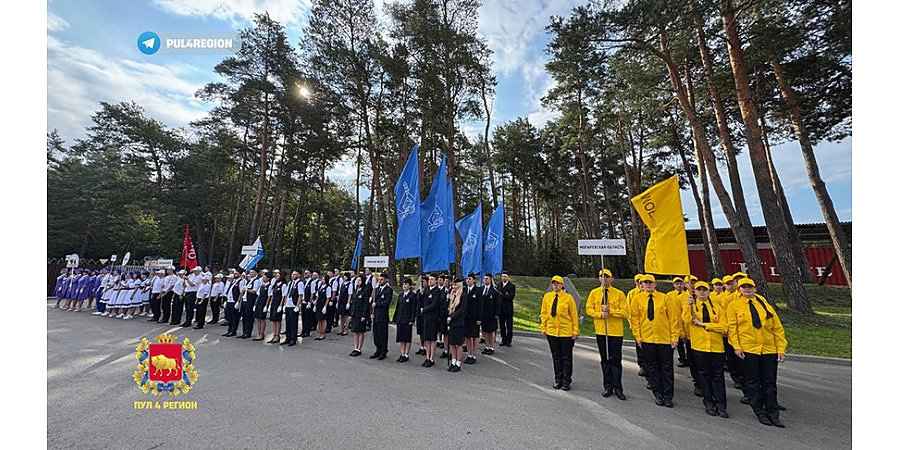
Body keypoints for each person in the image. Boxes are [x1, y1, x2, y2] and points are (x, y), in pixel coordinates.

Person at [726, 278, 788, 428]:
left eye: (750, 287)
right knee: (752, 382)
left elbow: (777, 328)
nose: (747, 289)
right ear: (739, 289)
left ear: (755, 288)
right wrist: (737, 347)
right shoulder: (734, 306)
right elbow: (732, 329)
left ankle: (773, 413)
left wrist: (781, 349)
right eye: (744, 287)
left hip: (768, 349)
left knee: (769, 382)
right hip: (749, 349)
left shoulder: (763, 304)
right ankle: (759, 411)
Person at [630, 274, 680, 407]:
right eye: (645, 282)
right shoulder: (637, 299)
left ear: (655, 284)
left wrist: (675, 337)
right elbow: (634, 319)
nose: (648, 284)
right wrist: (638, 337)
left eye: (650, 282)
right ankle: (658, 394)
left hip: (664, 339)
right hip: (647, 339)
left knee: (666, 368)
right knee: (652, 368)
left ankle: (668, 396)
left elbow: (674, 319)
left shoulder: (665, 298)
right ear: (642, 284)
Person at [684, 281, 729, 418]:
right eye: (699, 290)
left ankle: (721, 404)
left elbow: (724, 327)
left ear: (709, 291)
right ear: (695, 292)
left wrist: (705, 324)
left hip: (716, 347)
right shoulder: (692, 306)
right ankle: (708, 402)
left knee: (718, 376)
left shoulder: (717, 307)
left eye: (704, 290)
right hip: (699, 346)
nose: (702, 292)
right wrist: (688, 307)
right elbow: (686, 320)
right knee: (703, 375)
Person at [585, 269, 628, 400]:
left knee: (616, 361)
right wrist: (599, 314)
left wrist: (611, 311)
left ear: (612, 279)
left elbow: (625, 312)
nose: (604, 279)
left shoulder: (619, 294)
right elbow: (589, 309)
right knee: (605, 360)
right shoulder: (594, 293)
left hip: (615, 332)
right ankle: (607, 386)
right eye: (601, 277)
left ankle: (618, 388)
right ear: (599, 279)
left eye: (607, 277)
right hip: (601, 331)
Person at [541, 276, 579, 391]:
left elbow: (574, 315)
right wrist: (544, 327)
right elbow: (544, 313)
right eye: (553, 283)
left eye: (557, 283)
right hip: (552, 331)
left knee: (566, 357)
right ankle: (558, 379)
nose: (555, 285)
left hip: (565, 332)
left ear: (562, 285)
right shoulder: (547, 297)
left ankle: (567, 381)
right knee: (556, 356)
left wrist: (575, 331)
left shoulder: (568, 298)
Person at [419, 274, 442, 367]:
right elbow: (422, 302)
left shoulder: (437, 291)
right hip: (426, 317)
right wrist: (421, 295)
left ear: (436, 281)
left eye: (432, 279)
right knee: (427, 338)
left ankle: (432, 358)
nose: (430, 281)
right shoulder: (427, 290)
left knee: (432, 339)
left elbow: (435, 304)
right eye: (429, 279)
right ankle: (427, 357)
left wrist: (424, 309)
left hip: (433, 317)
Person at [392, 278, 417, 362]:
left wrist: (412, 319)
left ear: (409, 286)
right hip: (400, 318)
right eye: (403, 284)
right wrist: (395, 317)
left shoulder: (412, 295)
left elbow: (414, 308)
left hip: (407, 319)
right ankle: (402, 354)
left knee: (407, 338)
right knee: (401, 338)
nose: (404, 286)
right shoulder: (400, 294)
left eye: (406, 284)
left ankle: (406, 354)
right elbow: (398, 307)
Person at [667, 277, 690, 367]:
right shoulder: (669, 295)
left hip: (686, 320)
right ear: (673, 285)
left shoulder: (687, 295)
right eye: (677, 284)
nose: (679, 285)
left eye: (680, 283)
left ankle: (689, 358)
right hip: (675, 319)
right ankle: (682, 359)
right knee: (679, 342)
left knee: (688, 342)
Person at [370, 273, 393, 360]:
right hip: (375, 314)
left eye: (382, 279)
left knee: (382, 333)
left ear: (386, 280)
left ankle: (384, 350)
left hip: (383, 315)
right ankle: (378, 349)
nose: (380, 281)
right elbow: (372, 302)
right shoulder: (376, 289)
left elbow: (386, 303)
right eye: (379, 279)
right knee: (376, 334)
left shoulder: (388, 290)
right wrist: (372, 313)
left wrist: (377, 304)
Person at [445, 277, 466, 372]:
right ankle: (453, 361)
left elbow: (462, 310)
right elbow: (448, 308)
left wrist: (451, 317)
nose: (453, 286)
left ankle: (458, 363)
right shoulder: (452, 295)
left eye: (455, 285)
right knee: (452, 344)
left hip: (459, 323)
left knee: (458, 344)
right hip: (452, 323)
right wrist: (447, 299)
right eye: (453, 285)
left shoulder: (463, 295)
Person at [627, 274, 646, 377]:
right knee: (639, 346)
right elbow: (629, 311)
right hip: (637, 325)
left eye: (641, 281)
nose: (640, 283)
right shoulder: (632, 294)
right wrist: (632, 325)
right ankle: (642, 365)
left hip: (648, 326)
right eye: (638, 281)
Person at [462, 273, 483, 364]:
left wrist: (479, 318)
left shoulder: (478, 290)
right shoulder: (464, 290)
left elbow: (481, 306)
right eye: (467, 279)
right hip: (466, 317)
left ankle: (473, 355)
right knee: (467, 336)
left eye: (469, 279)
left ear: (474, 280)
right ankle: (469, 354)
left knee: (474, 337)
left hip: (475, 318)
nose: (468, 280)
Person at [480, 274, 501, 355]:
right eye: (484, 278)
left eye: (487, 279)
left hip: (492, 314)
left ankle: (491, 347)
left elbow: (498, 303)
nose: (485, 280)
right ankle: (486, 346)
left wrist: (497, 313)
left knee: (491, 331)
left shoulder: (495, 291)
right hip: (483, 314)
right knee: (484, 330)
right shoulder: (481, 289)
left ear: (490, 280)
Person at [349, 276, 368, 356]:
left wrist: (364, 315)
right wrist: (351, 313)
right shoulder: (356, 289)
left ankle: (359, 349)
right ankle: (355, 347)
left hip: (361, 314)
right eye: (357, 280)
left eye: (360, 280)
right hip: (354, 313)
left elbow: (366, 304)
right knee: (355, 331)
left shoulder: (365, 290)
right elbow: (353, 303)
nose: (358, 282)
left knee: (360, 331)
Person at [281, 271, 302, 346]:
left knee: (293, 323)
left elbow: (300, 295)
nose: (293, 275)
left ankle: (293, 339)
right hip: (288, 305)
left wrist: (297, 305)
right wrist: (285, 304)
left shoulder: (300, 283)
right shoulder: (290, 283)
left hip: (293, 305)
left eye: (294, 274)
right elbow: (286, 294)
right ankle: (288, 337)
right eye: (292, 274)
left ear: (298, 275)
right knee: (288, 322)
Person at [497, 271, 516, 347]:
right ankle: (503, 339)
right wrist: (504, 295)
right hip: (501, 309)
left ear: (508, 277)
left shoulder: (511, 286)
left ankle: (509, 340)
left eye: (505, 276)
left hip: (508, 309)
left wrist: (502, 295)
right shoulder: (499, 285)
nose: (503, 278)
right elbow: (498, 296)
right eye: (502, 276)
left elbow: (510, 297)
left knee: (509, 325)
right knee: (502, 325)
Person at [240, 270, 260, 339]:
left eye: (252, 272)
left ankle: (248, 332)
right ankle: (244, 331)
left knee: (249, 316)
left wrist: (247, 290)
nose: (250, 274)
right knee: (244, 316)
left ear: (255, 273)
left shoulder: (256, 281)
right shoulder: (249, 281)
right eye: (250, 272)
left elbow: (254, 291)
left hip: (250, 300)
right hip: (245, 299)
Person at [266, 271, 285, 343]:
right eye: (276, 276)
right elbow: (271, 296)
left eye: (278, 276)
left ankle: (277, 335)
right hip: (273, 303)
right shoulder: (274, 285)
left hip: (278, 303)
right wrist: (270, 304)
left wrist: (281, 305)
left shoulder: (283, 285)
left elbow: (283, 296)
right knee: (273, 320)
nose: (276, 277)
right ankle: (274, 334)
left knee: (277, 320)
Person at [314, 274, 333, 340]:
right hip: (319, 304)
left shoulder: (328, 287)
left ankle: (323, 333)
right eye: (322, 279)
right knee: (319, 319)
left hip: (323, 304)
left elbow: (328, 297)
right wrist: (315, 304)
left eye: (323, 279)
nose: (322, 280)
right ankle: (319, 332)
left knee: (323, 319)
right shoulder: (320, 286)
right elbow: (317, 296)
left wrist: (325, 306)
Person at [253, 272, 271, 341]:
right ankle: (259, 332)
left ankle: (262, 333)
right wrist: (255, 304)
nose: (263, 278)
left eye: (264, 277)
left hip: (263, 303)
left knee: (262, 319)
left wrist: (266, 306)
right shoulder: (262, 286)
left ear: (268, 278)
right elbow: (258, 295)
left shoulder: (269, 286)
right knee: (257, 319)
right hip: (259, 303)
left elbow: (269, 297)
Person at [415, 276, 427, 356]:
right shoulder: (418, 291)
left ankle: (426, 347)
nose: (422, 283)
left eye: (423, 282)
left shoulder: (428, 291)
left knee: (425, 331)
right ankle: (422, 346)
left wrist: (423, 294)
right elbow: (417, 301)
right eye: (421, 282)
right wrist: (420, 293)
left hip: (425, 314)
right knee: (420, 331)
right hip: (419, 313)